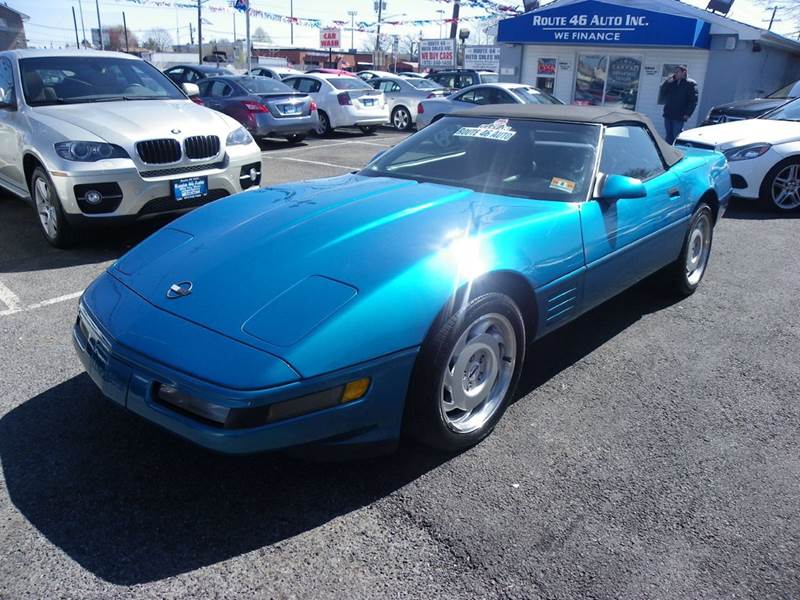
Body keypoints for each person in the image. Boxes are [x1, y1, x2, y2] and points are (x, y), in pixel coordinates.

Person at [660, 66, 699, 144]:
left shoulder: (690, 84)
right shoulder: (672, 82)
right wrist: (668, 80)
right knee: (668, 136)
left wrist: (688, 113)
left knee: (677, 135)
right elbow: (663, 91)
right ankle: (668, 153)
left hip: (679, 115)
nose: (675, 74)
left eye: (677, 72)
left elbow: (693, 101)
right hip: (668, 113)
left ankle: (678, 152)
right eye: (675, 72)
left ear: (684, 72)